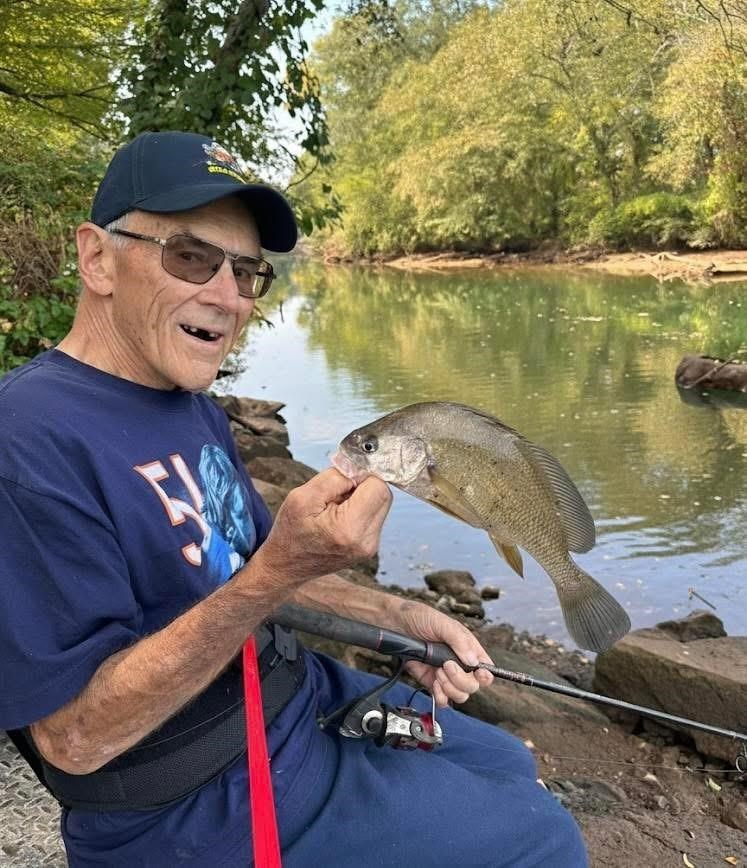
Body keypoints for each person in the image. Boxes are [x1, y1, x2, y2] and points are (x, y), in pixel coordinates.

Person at [0, 131, 588, 867]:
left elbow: (241, 568)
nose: (227, 296)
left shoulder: (187, 403)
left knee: (503, 762)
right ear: (96, 258)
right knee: (543, 842)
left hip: (286, 696)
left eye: (247, 273)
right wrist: (279, 570)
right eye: (191, 257)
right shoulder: (26, 442)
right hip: (196, 800)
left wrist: (397, 613)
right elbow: (75, 740)